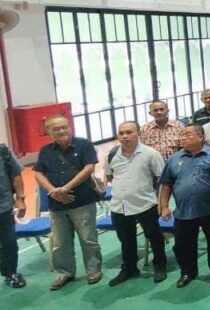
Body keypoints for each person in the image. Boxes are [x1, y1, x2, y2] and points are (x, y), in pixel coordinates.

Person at [158, 123, 210, 288]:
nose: (183, 137)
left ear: (200, 137)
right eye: (182, 134)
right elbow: (166, 184)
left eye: (188, 134)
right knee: (183, 244)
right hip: (184, 211)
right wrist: (164, 206)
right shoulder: (174, 159)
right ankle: (187, 272)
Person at [34, 115, 103, 290]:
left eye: (64, 127)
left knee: (88, 239)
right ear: (48, 132)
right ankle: (65, 272)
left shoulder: (84, 145)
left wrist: (65, 188)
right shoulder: (45, 151)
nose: (62, 131)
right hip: (56, 204)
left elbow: (89, 168)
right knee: (60, 242)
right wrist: (53, 191)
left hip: (82, 201)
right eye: (56, 129)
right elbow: (38, 173)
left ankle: (93, 270)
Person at [105, 121, 167, 286]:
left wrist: (162, 203)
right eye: (121, 133)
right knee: (126, 240)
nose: (124, 136)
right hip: (119, 206)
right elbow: (109, 176)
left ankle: (160, 265)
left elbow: (162, 179)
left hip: (145, 204)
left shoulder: (150, 154)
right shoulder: (112, 155)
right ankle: (130, 268)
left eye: (129, 132)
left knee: (154, 236)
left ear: (138, 133)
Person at [0, 139, 27, 288]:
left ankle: (10, 273)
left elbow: (16, 174)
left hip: (4, 207)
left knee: (9, 242)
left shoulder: (3, 152)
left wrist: (20, 199)